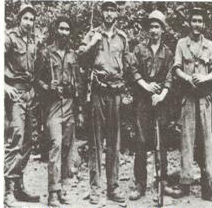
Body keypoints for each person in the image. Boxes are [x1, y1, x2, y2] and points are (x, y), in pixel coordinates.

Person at [78, 1, 130, 205]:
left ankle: (113, 187)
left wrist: (127, 93)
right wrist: (92, 43)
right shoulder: (92, 34)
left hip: (116, 94)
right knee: (96, 143)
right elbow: (80, 59)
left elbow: (128, 65)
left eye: (112, 10)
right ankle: (95, 190)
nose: (109, 13)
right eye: (106, 10)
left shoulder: (123, 37)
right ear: (102, 13)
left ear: (117, 13)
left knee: (114, 144)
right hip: (98, 94)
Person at [38, 16, 84, 206]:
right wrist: (48, 87)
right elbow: (36, 80)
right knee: (56, 145)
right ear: (56, 30)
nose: (64, 32)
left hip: (70, 104)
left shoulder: (73, 55)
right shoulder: (46, 53)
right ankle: (53, 193)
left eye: (67, 29)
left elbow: (79, 83)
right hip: (53, 105)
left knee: (67, 146)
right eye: (61, 28)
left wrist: (79, 110)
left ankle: (62, 187)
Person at [129, 10, 173, 200]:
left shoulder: (168, 52)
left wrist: (161, 94)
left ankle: (163, 181)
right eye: (151, 26)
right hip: (143, 101)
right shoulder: (139, 49)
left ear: (163, 29)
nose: (154, 30)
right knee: (140, 141)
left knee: (161, 142)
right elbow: (132, 70)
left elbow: (171, 76)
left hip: (160, 101)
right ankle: (140, 184)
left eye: (157, 26)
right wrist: (146, 86)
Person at [171, 7, 212, 201]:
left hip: (205, 99)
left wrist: (204, 78)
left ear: (204, 24)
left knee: (207, 141)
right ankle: (185, 184)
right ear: (189, 23)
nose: (197, 24)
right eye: (194, 20)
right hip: (187, 98)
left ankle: (208, 184)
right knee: (186, 140)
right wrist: (187, 77)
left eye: (200, 21)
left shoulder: (210, 45)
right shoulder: (181, 43)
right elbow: (176, 68)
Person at [4, 4, 40, 207]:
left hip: (30, 94)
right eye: (25, 18)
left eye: (31, 19)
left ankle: (19, 187)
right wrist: (4, 86)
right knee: (15, 139)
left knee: (28, 141)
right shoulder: (9, 38)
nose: (29, 22)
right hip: (15, 93)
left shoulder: (32, 40)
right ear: (19, 19)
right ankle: (6, 191)